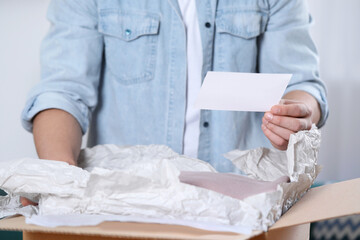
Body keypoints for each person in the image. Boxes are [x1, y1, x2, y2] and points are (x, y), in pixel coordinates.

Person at [20, 0, 328, 205]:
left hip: (241, 208)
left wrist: (297, 115)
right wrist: (58, 175)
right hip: (125, 204)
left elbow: (302, 86)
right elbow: (62, 90)